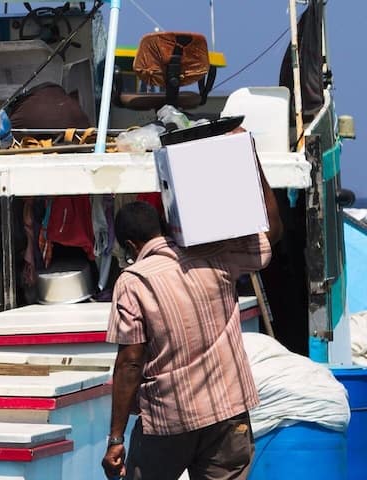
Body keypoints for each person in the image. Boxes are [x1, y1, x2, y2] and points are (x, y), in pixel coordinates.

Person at [103, 170, 282, 480]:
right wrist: (252, 164)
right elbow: (273, 231)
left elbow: (131, 362)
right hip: (228, 413)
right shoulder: (217, 254)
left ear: (131, 246)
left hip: (168, 418)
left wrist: (116, 438)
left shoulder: (133, 281)